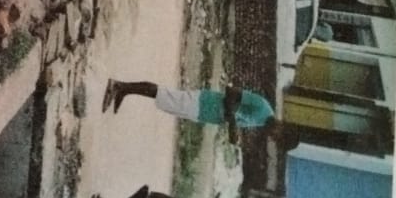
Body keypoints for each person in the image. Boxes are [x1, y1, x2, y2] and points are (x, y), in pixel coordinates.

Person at [102, 78, 277, 145]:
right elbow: (231, 92)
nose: (272, 137)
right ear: (283, 128)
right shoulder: (263, 108)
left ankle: (124, 90)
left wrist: (233, 128)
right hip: (204, 102)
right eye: (277, 137)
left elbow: (234, 113)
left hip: (202, 113)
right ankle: (120, 86)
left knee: (164, 99)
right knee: (163, 94)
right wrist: (232, 125)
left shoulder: (262, 121)